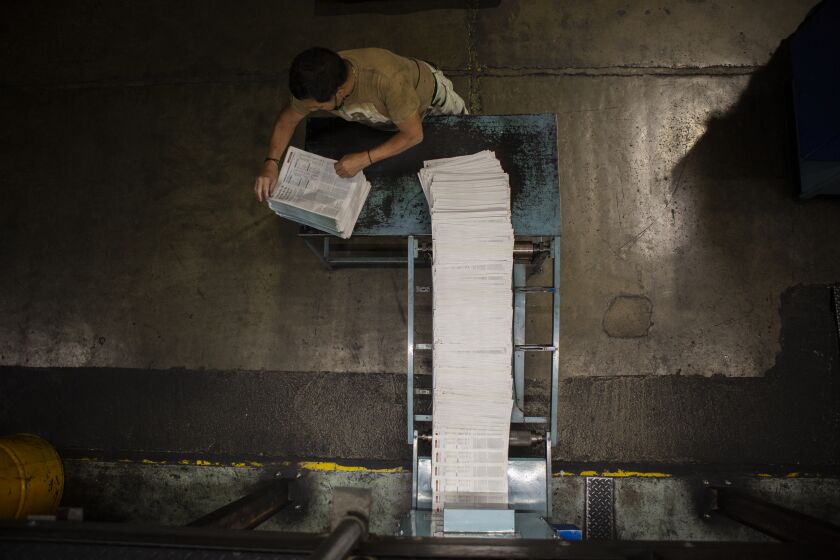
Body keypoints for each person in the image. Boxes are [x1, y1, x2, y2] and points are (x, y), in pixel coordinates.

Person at [254, 47, 468, 201]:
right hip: (387, 120)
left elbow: (413, 135)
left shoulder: (387, 82)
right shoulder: (321, 81)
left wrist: (365, 159)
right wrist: (271, 162)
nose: (312, 110)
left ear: (339, 94)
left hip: (429, 101)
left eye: (317, 108)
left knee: (465, 131)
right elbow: (288, 118)